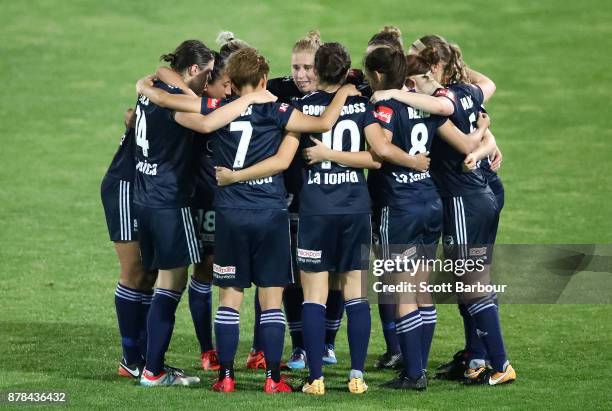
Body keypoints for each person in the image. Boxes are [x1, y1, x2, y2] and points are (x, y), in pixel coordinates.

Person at [217, 42, 427, 395]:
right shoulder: (360, 105)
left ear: (315, 71)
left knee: (313, 295)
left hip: (314, 209)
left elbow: (286, 155)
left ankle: (315, 377)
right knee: (355, 295)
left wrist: (325, 153)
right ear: (346, 73)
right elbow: (377, 158)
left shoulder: (300, 108)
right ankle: (356, 375)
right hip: (355, 208)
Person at [133, 40, 278, 387]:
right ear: (199, 73)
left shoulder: (154, 87)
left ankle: (150, 364)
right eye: (213, 75)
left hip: (146, 197)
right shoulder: (201, 104)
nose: (219, 81)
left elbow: (163, 76)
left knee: (168, 282)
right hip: (173, 200)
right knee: (174, 283)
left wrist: (142, 85)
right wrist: (248, 99)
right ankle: (153, 369)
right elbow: (201, 117)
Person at [364, 46, 495, 390]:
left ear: (377, 76)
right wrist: (484, 131)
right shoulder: (424, 103)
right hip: (431, 203)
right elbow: (464, 140)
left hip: (401, 205)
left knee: (402, 291)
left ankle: (413, 373)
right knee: (422, 290)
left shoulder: (385, 106)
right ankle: (415, 366)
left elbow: (381, 151)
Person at [402, 39, 516, 386]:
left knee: (471, 283)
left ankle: (499, 363)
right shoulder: (468, 91)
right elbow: (486, 90)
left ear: (433, 70)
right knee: (472, 280)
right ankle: (478, 358)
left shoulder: (443, 101)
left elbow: (455, 124)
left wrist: (395, 96)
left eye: (414, 80)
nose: (410, 86)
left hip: (463, 200)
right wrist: (486, 140)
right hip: (477, 195)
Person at [266, 30, 347, 370]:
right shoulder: (280, 89)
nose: (300, 75)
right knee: (296, 277)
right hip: (294, 199)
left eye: (307, 68)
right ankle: (300, 346)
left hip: (339, 200)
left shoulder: (345, 90)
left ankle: (327, 343)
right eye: (295, 67)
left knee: (338, 275)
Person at [101, 108, 156, 379]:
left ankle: (144, 356)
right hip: (128, 184)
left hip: (152, 191)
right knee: (134, 272)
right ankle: (130, 358)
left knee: (149, 273)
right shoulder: (169, 93)